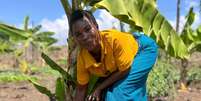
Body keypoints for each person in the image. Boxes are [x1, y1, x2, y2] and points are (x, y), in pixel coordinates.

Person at [70, 10, 158, 101]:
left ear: (96, 26)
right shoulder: (82, 58)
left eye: (88, 29)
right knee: (109, 95)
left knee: (119, 94)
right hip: (124, 61)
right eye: (78, 34)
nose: (84, 36)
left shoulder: (113, 40)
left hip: (143, 50)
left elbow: (125, 70)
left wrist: (99, 88)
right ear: (74, 39)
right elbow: (81, 89)